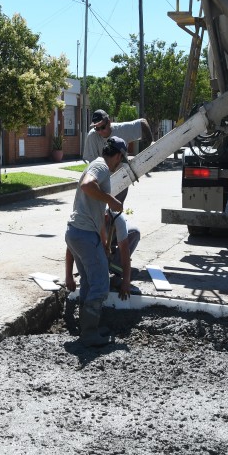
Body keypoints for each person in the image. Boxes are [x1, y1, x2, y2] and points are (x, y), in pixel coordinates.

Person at [64, 136, 126, 347]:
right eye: (121, 159)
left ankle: (88, 329)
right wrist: (112, 200)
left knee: (89, 283)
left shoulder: (97, 166)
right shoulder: (101, 167)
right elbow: (87, 185)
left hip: (76, 233)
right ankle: (89, 333)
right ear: (117, 155)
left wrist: (105, 244)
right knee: (101, 284)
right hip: (84, 235)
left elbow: (97, 214)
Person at [65, 209, 140, 300]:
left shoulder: (118, 220)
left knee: (135, 232)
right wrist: (68, 276)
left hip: (116, 236)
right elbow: (71, 248)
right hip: (95, 239)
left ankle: (115, 269)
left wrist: (126, 280)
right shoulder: (86, 221)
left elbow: (125, 250)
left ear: (106, 217)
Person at [82, 109, 152, 163]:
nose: (100, 131)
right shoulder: (92, 136)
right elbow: (92, 162)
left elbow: (143, 123)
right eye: (97, 128)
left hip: (122, 175)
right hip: (103, 176)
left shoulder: (121, 129)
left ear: (109, 122)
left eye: (103, 127)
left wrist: (150, 145)